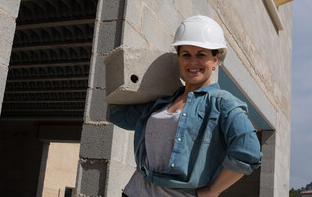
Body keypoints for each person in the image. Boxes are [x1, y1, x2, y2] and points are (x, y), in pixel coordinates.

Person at [109, 15, 262, 197]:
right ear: (179, 58)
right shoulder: (163, 100)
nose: (192, 62)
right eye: (186, 55)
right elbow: (117, 115)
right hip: (134, 191)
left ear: (215, 60)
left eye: (201, 55)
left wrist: (212, 191)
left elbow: (248, 152)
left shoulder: (222, 103)